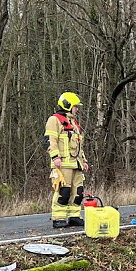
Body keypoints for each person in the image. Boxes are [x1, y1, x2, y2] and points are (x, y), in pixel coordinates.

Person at [44, 92, 89, 228]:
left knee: (78, 192)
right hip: (63, 164)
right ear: (68, 105)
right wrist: (55, 157)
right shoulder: (55, 120)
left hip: (76, 164)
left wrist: (84, 160)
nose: (77, 109)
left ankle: (74, 216)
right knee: (63, 192)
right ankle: (58, 218)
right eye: (75, 106)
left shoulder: (73, 123)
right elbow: (50, 140)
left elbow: (79, 145)